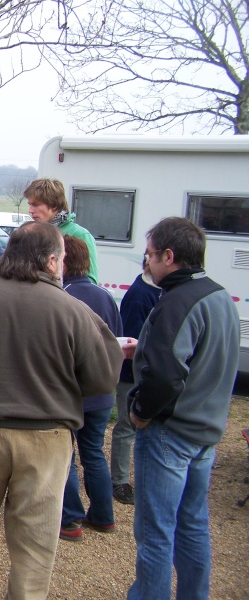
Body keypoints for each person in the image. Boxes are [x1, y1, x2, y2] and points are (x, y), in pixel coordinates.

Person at [0, 222, 123, 600]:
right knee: (34, 550)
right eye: (61, 258)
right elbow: (103, 378)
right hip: (45, 441)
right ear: (50, 261)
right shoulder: (74, 311)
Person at [126, 217, 239, 600]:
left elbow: (166, 375)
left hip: (169, 433)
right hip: (205, 433)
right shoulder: (220, 296)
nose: (148, 262)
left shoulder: (176, 302)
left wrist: (140, 412)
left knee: (155, 532)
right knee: (192, 524)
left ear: (169, 256)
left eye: (151, 255)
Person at [59, 236, 123, 542]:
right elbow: (118, 341)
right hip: (103, 392)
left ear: (64, 261)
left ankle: (70, 519)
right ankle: (104, 515)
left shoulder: (63, 296)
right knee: (94, 453)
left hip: (75, 392)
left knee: (65, 456)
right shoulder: (106, 295)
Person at [111, 260, 161, 505]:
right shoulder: (140, 295)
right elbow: (129, 340)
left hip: (150, 373)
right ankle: (119, 481)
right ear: (148, 262)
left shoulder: (162, 291)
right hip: (131, 374)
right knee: (125, 425)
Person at [24, 178, 99, 283]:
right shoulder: (32, 233)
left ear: (54, 205)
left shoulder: (80, 235)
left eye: (36, 205)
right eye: (29, 204)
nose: (30, 210)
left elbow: (90, 280)